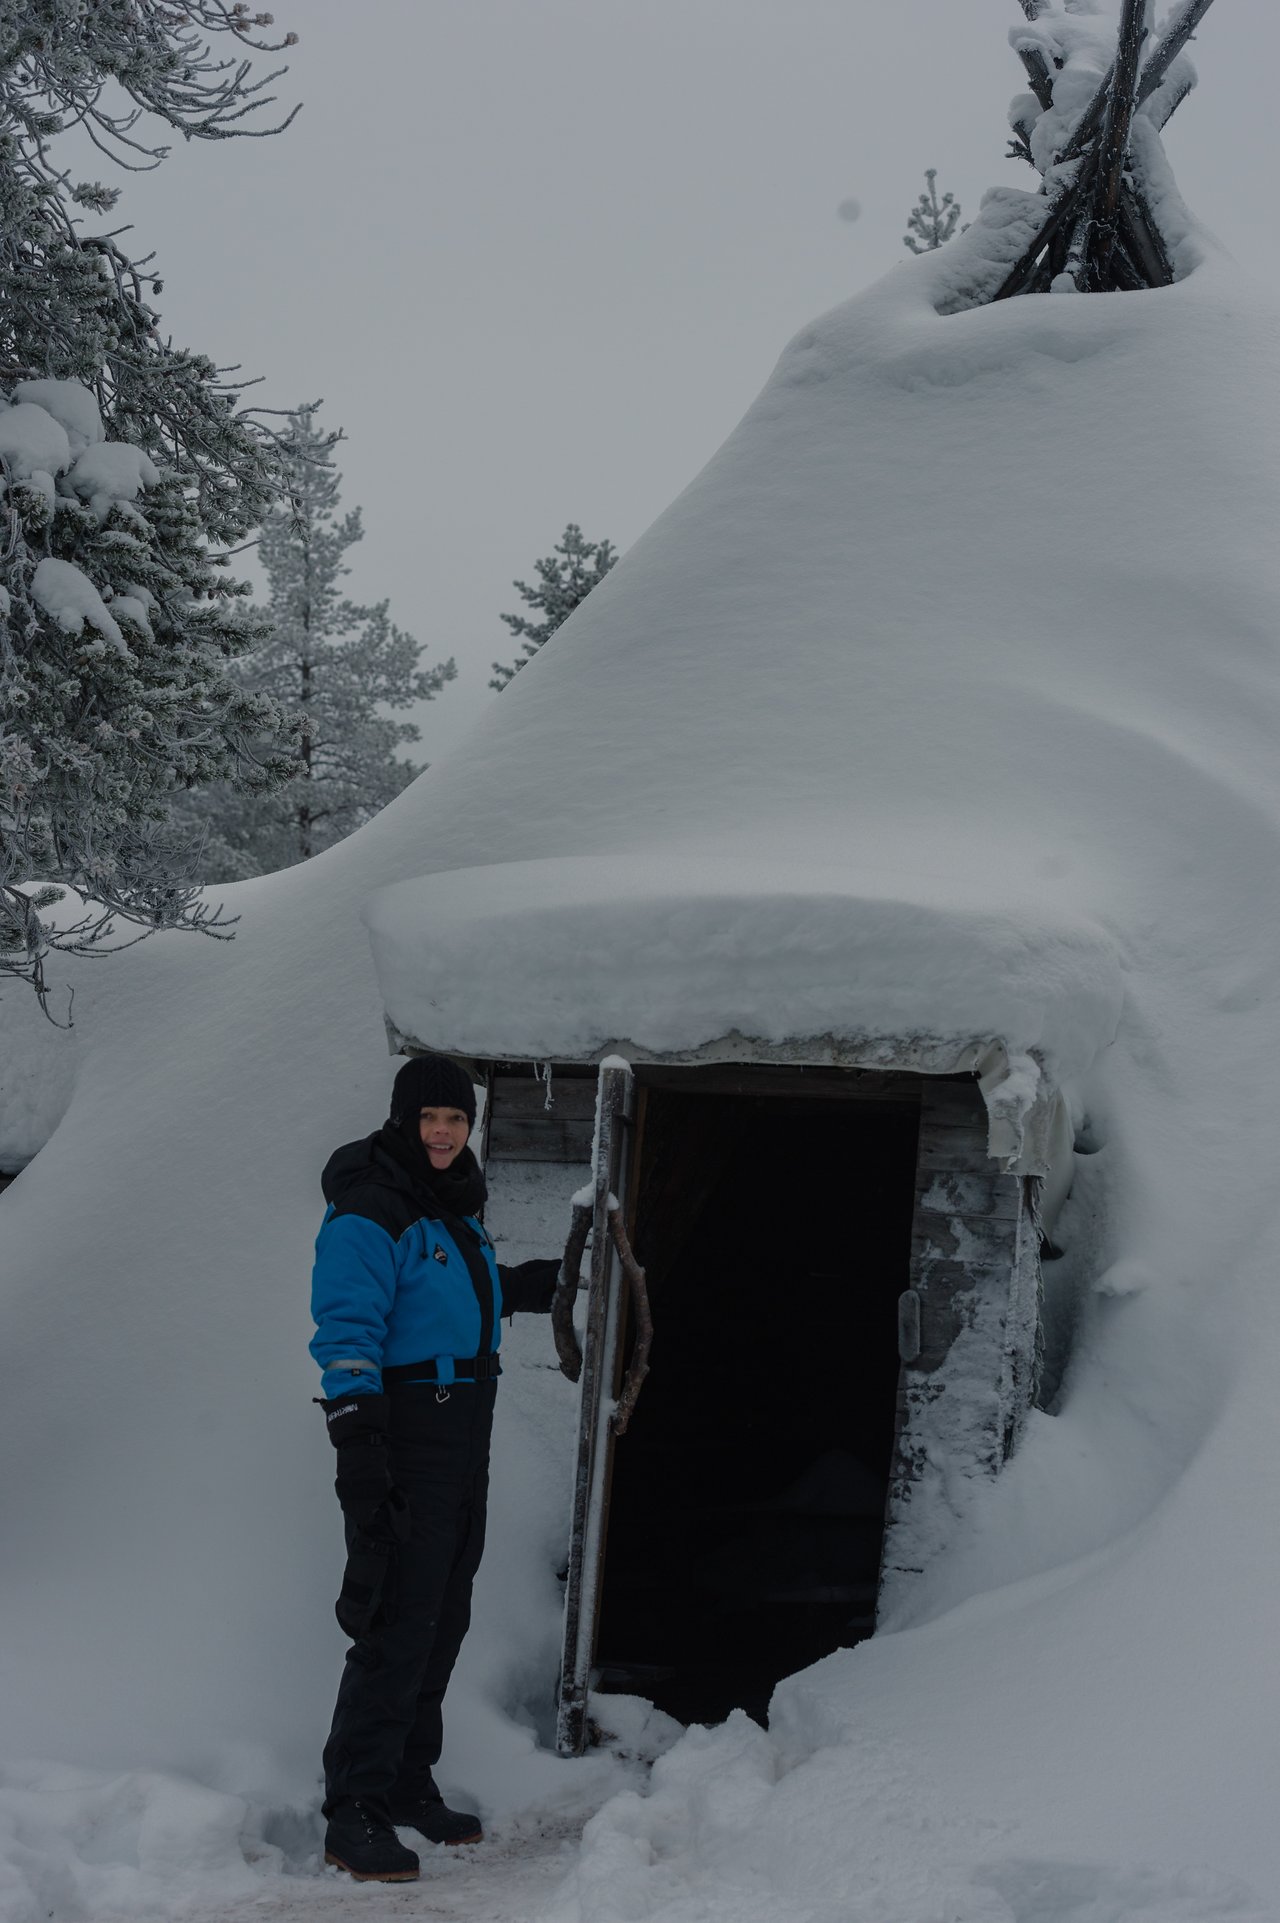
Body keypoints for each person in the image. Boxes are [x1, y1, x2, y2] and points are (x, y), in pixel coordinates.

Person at [309, 1054, 562, 1884]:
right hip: (405, 1434)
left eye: (456, 1119)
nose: (445, 1132)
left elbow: (460, 1298)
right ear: (403, 1121)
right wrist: (361, 1451)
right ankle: (353, 1808)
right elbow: (349, 1333)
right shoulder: (371, 1209)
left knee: (442, 1614)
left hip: (463, 1435)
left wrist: (535, 1286)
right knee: (397, 1619)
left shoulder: (450, 1204)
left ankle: (406, 1779)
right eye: (430, 1120)